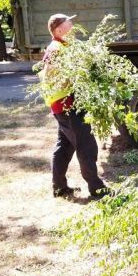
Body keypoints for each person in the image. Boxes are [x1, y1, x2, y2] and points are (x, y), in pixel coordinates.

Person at [42, 13, 107, 200]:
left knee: (65, 146)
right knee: (86, 145)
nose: (73, 24)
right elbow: (52, 75)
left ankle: (60, 187)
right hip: (67, 106)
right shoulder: (56, 48)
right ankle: (97, 189)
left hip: (64, 105)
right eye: (69, 22)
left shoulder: (63, 46)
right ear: (59, 29)